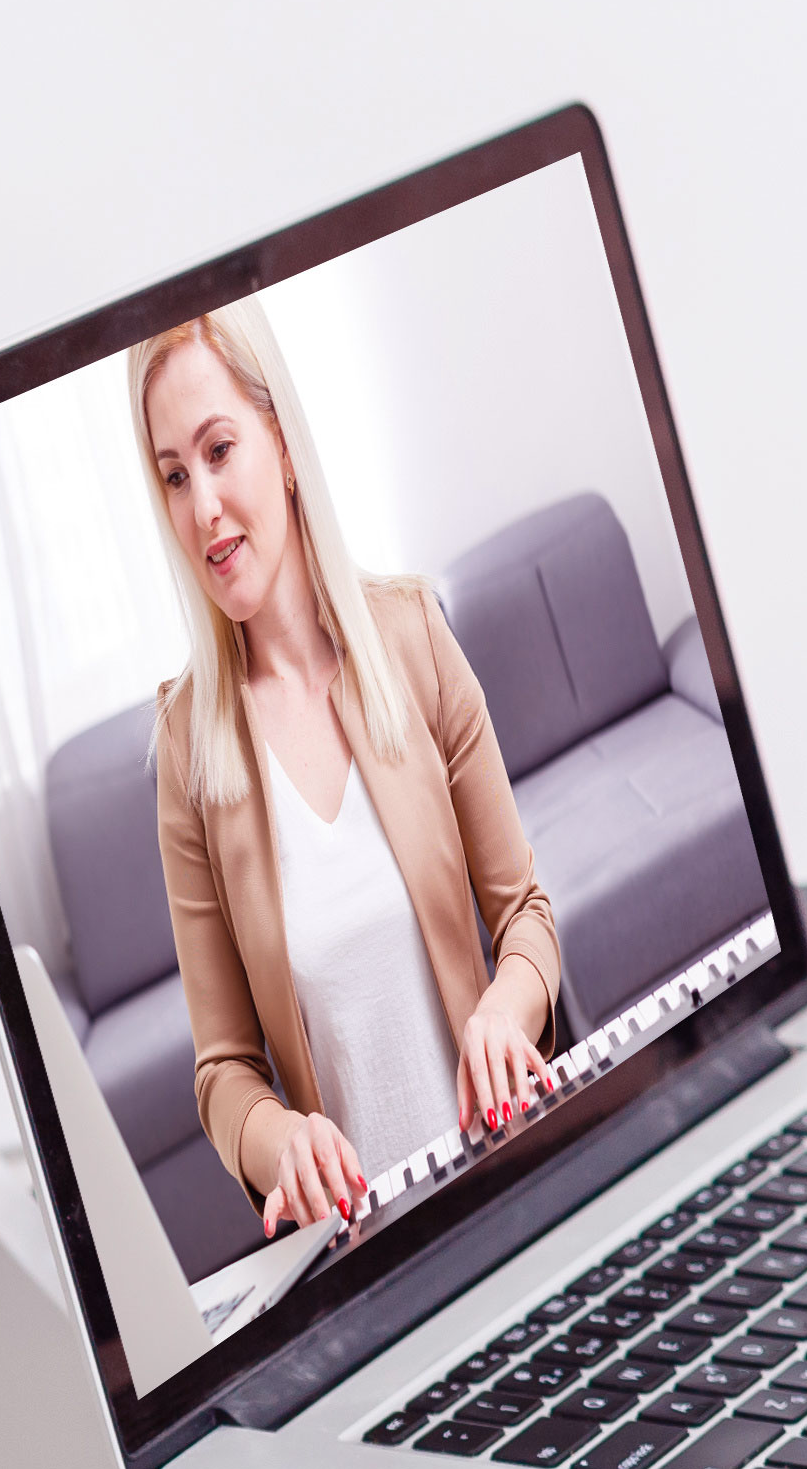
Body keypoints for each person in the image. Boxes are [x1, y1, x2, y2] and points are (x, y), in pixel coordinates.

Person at [135, 303, 565, 1239]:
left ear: (283, 447)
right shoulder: (186, 752)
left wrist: (505, 1007)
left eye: (218, 451)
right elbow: (223, 1073)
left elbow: (525, 916)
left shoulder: (413, 635)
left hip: (512, 1185)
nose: (201, 506)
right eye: (173, 475)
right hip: (371, 1256)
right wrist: (277, 1135)